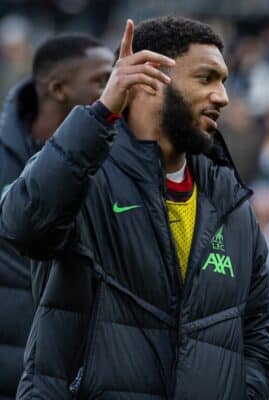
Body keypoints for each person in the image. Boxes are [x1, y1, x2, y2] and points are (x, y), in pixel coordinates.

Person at [0, 16, 269, 399]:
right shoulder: (85, 177)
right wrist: (101, 112)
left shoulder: (231, 202)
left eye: (224, 81)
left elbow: (257, 328)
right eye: (206, 78)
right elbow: (22, 225)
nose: (222, 96)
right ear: (149, 80)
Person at [0, 34, 113, 400]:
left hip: (66, 379)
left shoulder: (110, 160)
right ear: (60, 88)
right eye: (101, 79)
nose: (114, 89)